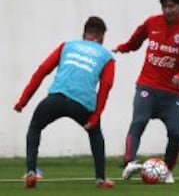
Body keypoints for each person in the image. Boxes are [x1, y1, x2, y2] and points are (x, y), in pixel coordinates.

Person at [14, 16, 116, 189]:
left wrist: (22, 101)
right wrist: (94, 117)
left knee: (35, 128)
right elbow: (106, 87)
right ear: (101, 37)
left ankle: (31, 172)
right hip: (82, 105)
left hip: (55, 99)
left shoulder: (67, 46)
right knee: (95, 135)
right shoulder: (107, 57)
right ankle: (100, 179)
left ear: (84, 34)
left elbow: (42, 70)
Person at [112, 0, 179, 183]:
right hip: (148, 86)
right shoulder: (152, 23)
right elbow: (135, 41)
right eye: (165, 7)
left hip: (172, 94)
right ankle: (129, 162)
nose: (168, 11)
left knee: (176, 133)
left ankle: (167, 170)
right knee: (139, 120)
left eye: (172, 6)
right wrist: (123, 47)